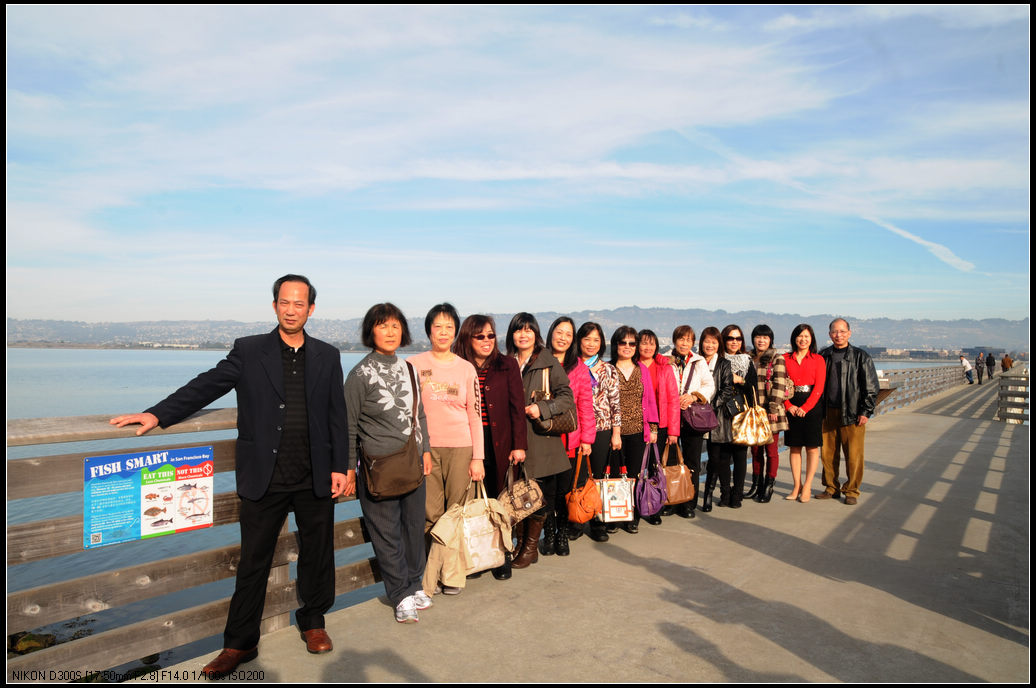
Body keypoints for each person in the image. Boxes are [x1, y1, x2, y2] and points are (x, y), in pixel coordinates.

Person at [109, 275, 351, 678]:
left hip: (314, 476)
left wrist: (342, 466)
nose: (291, 310)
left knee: (318, 555)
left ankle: (313, 621)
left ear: (311, 309)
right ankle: (239, 643)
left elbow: (336, 415)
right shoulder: (250, 350)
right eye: (284, 302)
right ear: (274, 306)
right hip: (264, 476)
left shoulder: (328, 354)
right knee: (253, 562)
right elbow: (207, 385)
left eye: (299, 303)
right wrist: (157, 413)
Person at [346, 303, 434, 623]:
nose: (390, 332)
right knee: (386, 532)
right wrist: (348, 469)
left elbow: (419, 414)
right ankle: (399, 593)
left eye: (395, 326)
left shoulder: (409, 369)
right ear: (371, 331)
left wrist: (426, 451)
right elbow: (348, 426)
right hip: (378, 467)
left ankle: (414, 583)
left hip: (412, 461)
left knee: (413, 526)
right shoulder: (359, 374)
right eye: (383, 326)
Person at [407, 304, 484, 595]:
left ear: (455, 332)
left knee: (456, 513)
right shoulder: (413, 364)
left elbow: (475, 414)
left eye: (449, 327)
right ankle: (432, 574)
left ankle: (451, 574)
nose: (443, 332)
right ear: (429, 330)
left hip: (461, 447)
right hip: (425, 449)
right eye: (437, 326)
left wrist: (478, 457)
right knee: (430, 513)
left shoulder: (466, 368)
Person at [454, 314, 527, 580]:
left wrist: (519, 445)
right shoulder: (458, 365)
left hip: (501, 442)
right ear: (468, 338)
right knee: (472, 501)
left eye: (491, 335)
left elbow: (517, 407)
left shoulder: (507, 364)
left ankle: (502, 554)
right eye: (480, 336)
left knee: (500, 500)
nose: (487, 340)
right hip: (468, 441)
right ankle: (477, 556)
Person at [507, 313, 575, 568]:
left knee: (539, 496)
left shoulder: (547, 361)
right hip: (515, 438)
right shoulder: (507, 361)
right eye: (518, 330)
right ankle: (521, 545)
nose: (523, 335)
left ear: (536, 334)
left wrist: (542, 408)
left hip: (541, 440)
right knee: (518, 494)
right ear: (512, 334)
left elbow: (566, 397)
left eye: (528, 330)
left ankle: (530, 548)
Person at [542, 317, 596, 554]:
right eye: (559, 332)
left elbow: (585, 405)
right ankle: (549, 534)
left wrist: (587, 439)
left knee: (566, 490)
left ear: (572, 339)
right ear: (551, 333)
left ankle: (562, 534)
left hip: (570, 441)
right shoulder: (539, 362)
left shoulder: (579, 368)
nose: (562, 338)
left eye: (568, 334)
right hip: (543, 439)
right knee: (546, 491)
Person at [818, 318, 878, 506]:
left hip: (852, 413)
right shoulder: (824, 355)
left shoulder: (861, 356)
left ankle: (851, 490)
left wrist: (865, 411)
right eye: (835, 332)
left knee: (854, 455)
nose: (839, 335)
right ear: (830, 334)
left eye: (842, 331)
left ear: (849, 333)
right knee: (828, 454)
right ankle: (831, 488)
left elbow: (871, 387)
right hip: (827, 412)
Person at [609, 325, 659, 533]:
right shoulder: (608, 369)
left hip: (638, 430)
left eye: (632, 343)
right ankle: (613, 516)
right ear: (616, 345)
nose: (628, 346)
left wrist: (653, 428)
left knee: (635, 475)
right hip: (613, 432)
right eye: (623, 342)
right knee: (613, 476)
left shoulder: (642, 369)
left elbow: (650, 400)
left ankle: (632, 515)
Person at [576, 321, 622, 542]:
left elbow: (615, 403)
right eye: (587, 339)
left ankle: (597, 521)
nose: (591, 344)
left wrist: (616, 433)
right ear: (579, 341)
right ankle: (576, 519)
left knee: (598, 476)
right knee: (577, 476)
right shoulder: (571, 367)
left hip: (602, 429)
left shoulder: (608, 369)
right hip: (575, 429)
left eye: (596, 340)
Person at [667, 325, 716, 518]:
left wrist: (694, 396)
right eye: (681, 339)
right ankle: (671, 500)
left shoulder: (698, 361)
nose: (684, 343)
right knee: (670, 460)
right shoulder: (666, 360)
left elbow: (709, 385)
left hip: (691, 417)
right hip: (670, 416)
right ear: (675, 340)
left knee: (692, 461)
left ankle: (689, 502)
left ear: (693, 343)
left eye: (688, 340)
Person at [637, 329, 680, 525]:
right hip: (637, 424)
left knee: (656, 467)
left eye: (652, 343)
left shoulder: (664, 368)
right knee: (637, 467)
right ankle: (636, 508)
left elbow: (673, 400)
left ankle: (654, 507)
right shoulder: (632, 366)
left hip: (660, 425)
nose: (648, 347)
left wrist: (673, 431)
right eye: (644, 343)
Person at [783, 323, 826, 503]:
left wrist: (806, 408)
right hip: (791, 403)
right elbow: (778, 384)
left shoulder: (818, 359)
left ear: (811, 339)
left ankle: (807, 486)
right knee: (794, 446)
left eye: (806, 336)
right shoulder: (784, 359)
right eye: (800, 336)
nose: (803, 339)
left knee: (812, 447)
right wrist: (788, 405)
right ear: (794, 338)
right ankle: (796, 485)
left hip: (812, 406)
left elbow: (819, 387)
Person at [748, 324, 789, 503]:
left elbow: (780, 384)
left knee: (771, 451)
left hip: (771, 411)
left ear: (770, 340)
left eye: (765, 337)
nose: (761, 340)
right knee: (756, 450)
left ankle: (769, 485)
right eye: (758, 337)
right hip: (753, 411)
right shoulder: (749, 358)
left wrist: (773, 408)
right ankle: (756, 484)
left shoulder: (776, 358)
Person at [698, 326, 733, 512]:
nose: (710, 345)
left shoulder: (724, 363)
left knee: (715, 458)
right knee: (695, 457)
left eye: (714, 342)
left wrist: (710, 407)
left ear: (719, 344)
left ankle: (708, 495)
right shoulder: (695, 362)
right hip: (696, 416)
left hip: (717, 417)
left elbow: (727, 389)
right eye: (707, 341)